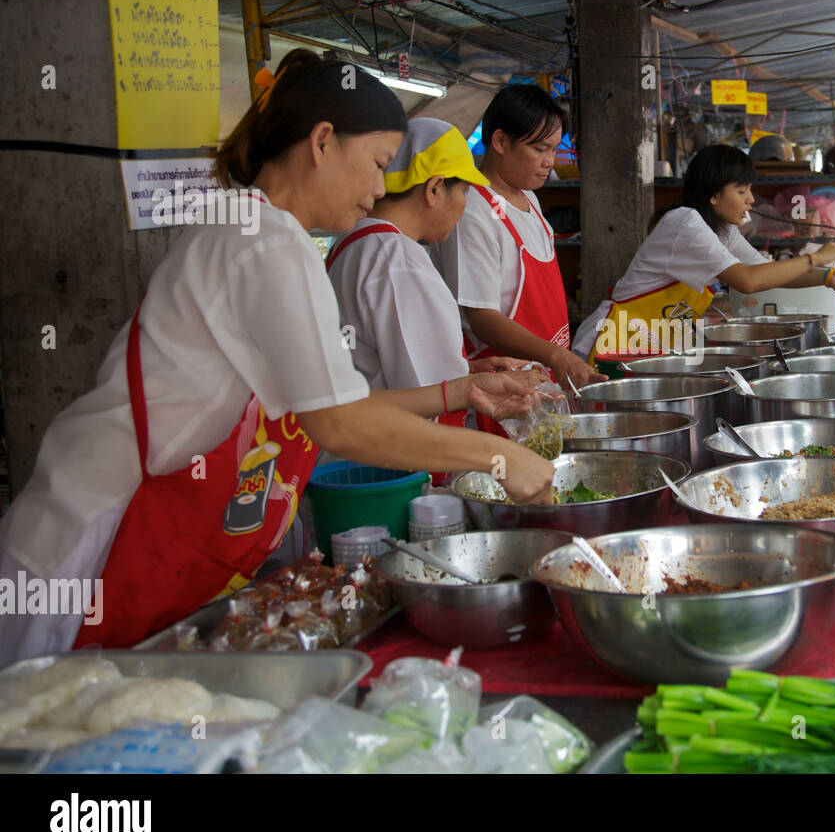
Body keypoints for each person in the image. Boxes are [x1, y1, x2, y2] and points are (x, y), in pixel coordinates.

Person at [0, 50, 555, 663]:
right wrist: (499, 456)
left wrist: (460, 392)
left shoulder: (257, 230)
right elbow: (338, 424)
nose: (379, 186)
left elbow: (331, 400)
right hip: (86, 548)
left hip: (125, 536)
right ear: (322, 142)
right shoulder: (265, 241)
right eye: (374, 163)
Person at [326, 117, 530, 415]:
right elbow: (426, 398)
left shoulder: (354, 241)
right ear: (434, 189)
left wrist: (470, 371)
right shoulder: (399, 260)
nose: (463, 205)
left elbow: (385, 367)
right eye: (463, 192)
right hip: (393, 452)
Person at [573, 145, 835, 359]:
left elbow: (765, 272)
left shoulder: (721, 229)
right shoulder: (684, 222)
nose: (751, 200)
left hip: (647, 341)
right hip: (612, 340)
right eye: (742, 190)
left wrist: (828, 277)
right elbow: (748, 281)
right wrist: (815, 257)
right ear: (713, 195)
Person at [429, 84, 605, 396]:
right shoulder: (472, 208)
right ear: (499, 141)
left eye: (553, 149)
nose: (549, 161)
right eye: (539, 149)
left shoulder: (530, 200)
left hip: (542, 379)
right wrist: (554, 355)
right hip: (498, 385)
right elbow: (482, 319)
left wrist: (556, 357)